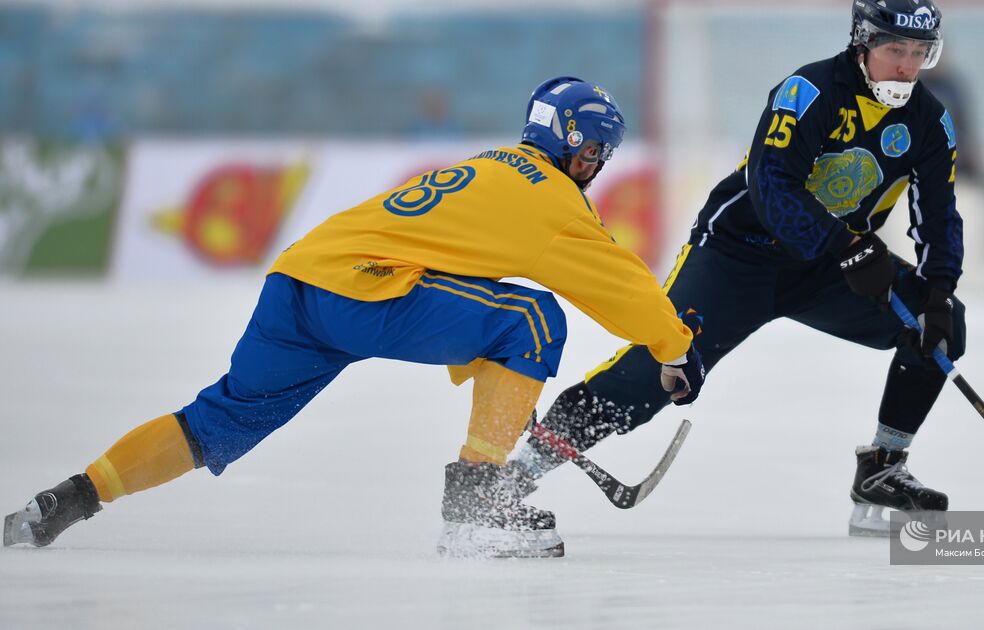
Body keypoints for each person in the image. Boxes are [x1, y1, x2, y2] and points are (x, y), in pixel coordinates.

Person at [2, 76, 706, 558]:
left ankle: (70, 500)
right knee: (533, 320)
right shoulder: (553, 198)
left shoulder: (492, 164)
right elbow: (621, 286)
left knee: (215, 420)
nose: (595, 166)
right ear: (564, 141)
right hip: (363, 294)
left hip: (298, 281)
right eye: (590, 152)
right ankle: (477, 506)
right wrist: (673, 348)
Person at [506, 0, 965, 536]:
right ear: (863, 44)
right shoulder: (809, 91)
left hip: (824, 268)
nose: (907, 67)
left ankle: (883, 470)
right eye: (895, 50)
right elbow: (772, 185)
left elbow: (937, 211)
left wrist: (937, 289)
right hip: (736, 254)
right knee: (653, 375)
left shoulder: (930, 120)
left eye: (918, 53)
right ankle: (511, 477)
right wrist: (847, 245)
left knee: (942, 326)